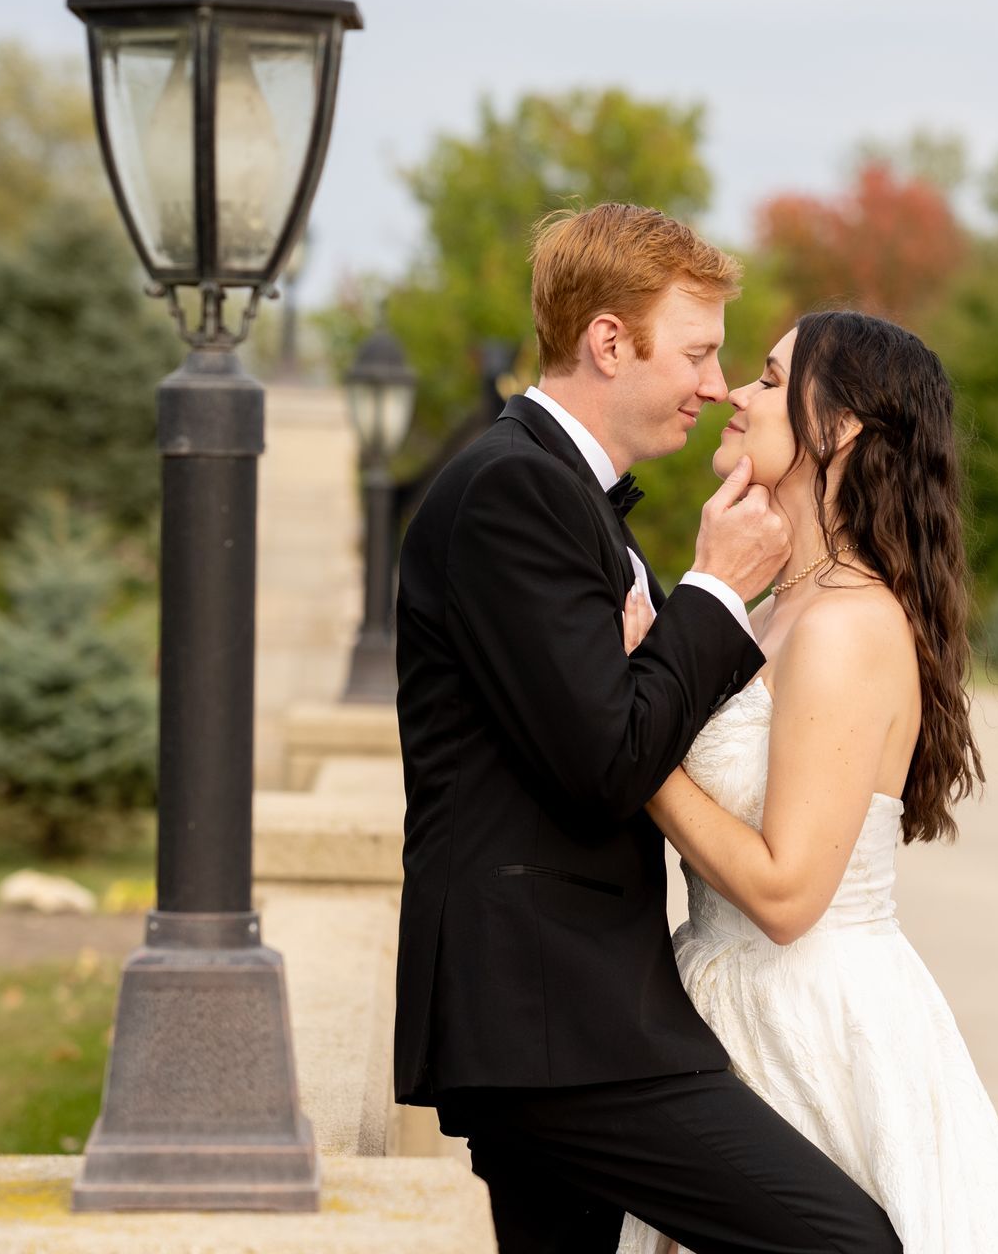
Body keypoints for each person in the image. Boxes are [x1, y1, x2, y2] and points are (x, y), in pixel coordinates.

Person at [392, 205, 902, 1254]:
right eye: (701, 350)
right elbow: (605, 761)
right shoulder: (514, 489)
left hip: (565, 1015)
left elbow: (622, 720)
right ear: (610, 341)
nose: (716, 385)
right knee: (844, 1242)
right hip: (553, 1020)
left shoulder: (560, 491)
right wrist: (714, 590)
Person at [615, 311, 998, 1254]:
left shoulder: (847, 623)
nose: (736, 392)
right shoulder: (783, 606)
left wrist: (631, 749)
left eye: (772, 379)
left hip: (812, 1020)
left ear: (842, 427)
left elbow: (785, 894)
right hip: (721, 997)